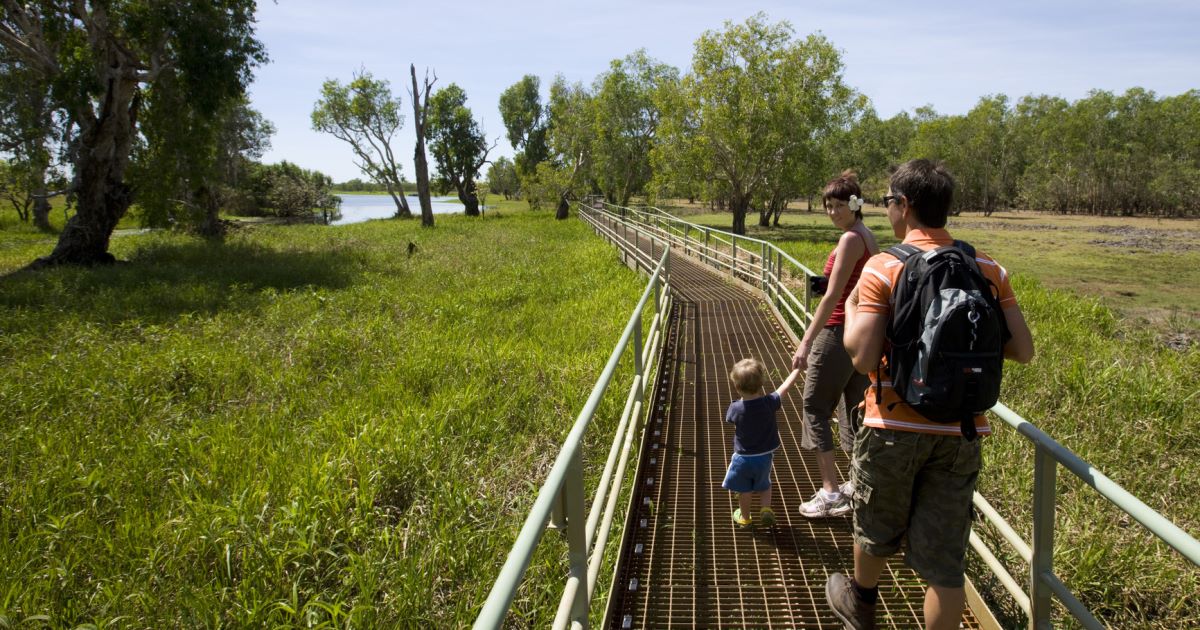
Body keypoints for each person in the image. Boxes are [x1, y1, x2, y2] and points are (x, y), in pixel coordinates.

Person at [825, 159, 1034, 630]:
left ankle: (860, 603)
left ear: (904, 206)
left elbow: (860, 357)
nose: (887, 211)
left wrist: (855, 301)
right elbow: (1022, 350)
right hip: (961, 430)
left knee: (875, 527)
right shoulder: (987, 267)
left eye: (887, 202)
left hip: (892, 425)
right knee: (945, 563)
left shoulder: (885, 266)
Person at [792, 170, 880, 519]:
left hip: (837, 332)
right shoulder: (867, 235)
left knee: (814, 405)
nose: (832, 212)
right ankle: (858, 484)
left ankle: (830, 493)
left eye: (840, 205)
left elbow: (831, 298)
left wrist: (806, 340)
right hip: (861, 334)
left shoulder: (849, 240)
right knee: (856, 410)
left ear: (856, 205)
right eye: (828, 206)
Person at [722, 358, 802, 528]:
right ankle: (765, 509)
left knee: (744, 489)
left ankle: (745, 518)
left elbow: (730, 420)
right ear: (761, 384)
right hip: (765, 457)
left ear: (737, 387)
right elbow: (785, 388)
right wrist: (797, 370)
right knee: (765, 484)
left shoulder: (735, 408)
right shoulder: (769, 402)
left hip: (742, 458)